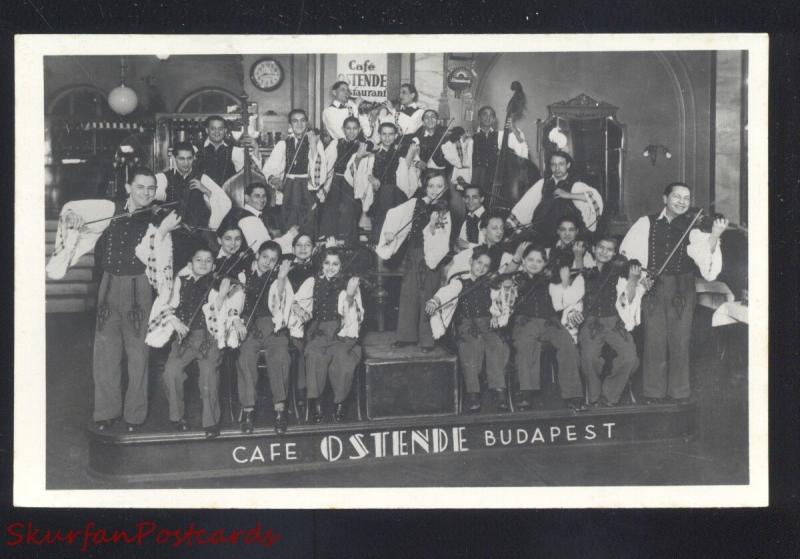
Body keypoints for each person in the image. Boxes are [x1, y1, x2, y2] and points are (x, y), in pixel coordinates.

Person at [46, 167, 180, 432]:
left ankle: (135, 415)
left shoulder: (159, 219)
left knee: (138, 354)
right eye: (140, 187)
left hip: (139, 286)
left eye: (151, 189)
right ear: (129, 187)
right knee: (105, 352)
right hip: (108, 283)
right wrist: (73, 218)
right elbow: (72, 210)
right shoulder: (110, 207)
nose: (146, 193)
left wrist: (162, 232)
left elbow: (157, 259)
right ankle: (106, 412)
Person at [620, 182, 727, 403]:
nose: (681, 201)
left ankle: (679, 392)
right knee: (654, 339)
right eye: (676, 196)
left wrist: (714, 235)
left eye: (686, 198)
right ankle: (653, 392)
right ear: (665, 198)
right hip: (654, 285)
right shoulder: (645, 223)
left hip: (683, 287)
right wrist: (641, 276)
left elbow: (707, 265)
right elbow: (628, 253)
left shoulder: (694, 228)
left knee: (680, 339)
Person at [147, 244, 224, 438]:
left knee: (208, 375)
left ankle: (211, 422)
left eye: (208, 261)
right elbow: (165, 305)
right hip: (185, 339)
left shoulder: (217, 283)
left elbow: (225, 309)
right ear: (190, 264)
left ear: (214, 266)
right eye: (199, 260)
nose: (203, 264)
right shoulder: (179, 281)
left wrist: (222, 294)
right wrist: (174, 321)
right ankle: (178, 416)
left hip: (209, 337)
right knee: (171, 372)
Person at [426, 246, 511, 412]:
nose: (481, 268)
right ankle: (473, 392)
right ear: (471, 262)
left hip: (486, 324)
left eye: (486, 266)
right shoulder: (460, 282)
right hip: (465, 324)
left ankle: (499, 389)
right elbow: (446, 292)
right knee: (469, 347)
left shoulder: (490, 285)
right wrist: (434, 301)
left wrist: (498, 312)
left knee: (497, 345)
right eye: (479, 263)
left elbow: (500, 304)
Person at [376, 169, 452, 351]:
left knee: (427, 294)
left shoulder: (444, 212)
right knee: (408, 293)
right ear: (425, 187)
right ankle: (406, 336)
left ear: (445, 188)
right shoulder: (415, 204)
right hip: (413, 253)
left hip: (431, 256)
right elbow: (395, 215)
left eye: (439, 186)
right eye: (431, 186)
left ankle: (427, 339)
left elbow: (442, 240)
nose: (435, 190)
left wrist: (433, 227)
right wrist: (390, 232)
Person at [290, 248, 364, 423]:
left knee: (343, 360)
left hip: (341, 331)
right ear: (321, 264)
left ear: (341, 266)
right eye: (327, 263)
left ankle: (340, 402)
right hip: (319, 331)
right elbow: (296, 300)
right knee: (314, 355)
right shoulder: (312, 281)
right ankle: (317, 402)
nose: (331, 267)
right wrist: (299, 309)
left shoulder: (349, 284)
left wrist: (351, 295)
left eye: (335, 264)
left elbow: (355, 315)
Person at [570, 237, 644, 407]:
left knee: (630, 357)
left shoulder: (619, 271)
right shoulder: (586, 266)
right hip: (591, 321)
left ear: (614, 253)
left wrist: (633, 280)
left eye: (609, 249)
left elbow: (629, 299)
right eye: (601, 248)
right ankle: (594, 397)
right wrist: (578, 256)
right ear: (594, 249)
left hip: (614, 320)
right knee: (589, 357)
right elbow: (578, 284)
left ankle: (609, 396)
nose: (604, 252)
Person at [510, 245, 584, 411]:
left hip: (549, 321)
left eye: (539, 261)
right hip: (526, 320)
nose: (534, 264)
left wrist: (564, 280)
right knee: (525, 344)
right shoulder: (516, 278)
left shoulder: (550, 280)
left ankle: (573, 394)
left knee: (567, 344)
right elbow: (503, 283)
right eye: (530, 260)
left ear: (544, 264)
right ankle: (526, 392)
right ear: (523, 261)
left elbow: (575, 275)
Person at [232, 242, 293, 434]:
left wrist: (282, 278)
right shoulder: (243, 275)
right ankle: (248, 411)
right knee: (245, 358)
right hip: (250, 325)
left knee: (280, 356)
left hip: (272, 324)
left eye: (273, 259)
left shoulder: (278, 277)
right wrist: (236, 320)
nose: (268, 262)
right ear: (257, 255)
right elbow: (234, 302)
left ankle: (280, 410)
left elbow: (282, 300)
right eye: (265, 256)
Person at [155, 141, 232, 271]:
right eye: (181, 159)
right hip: (172, 238)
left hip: (198, 238)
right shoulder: (163, 177)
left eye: (189, 158)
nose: (186, 163)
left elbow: (226, 203)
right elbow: (154, 194)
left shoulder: (203, 178)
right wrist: (159, 193)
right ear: (174, 158)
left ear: (194, 158)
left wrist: (206, 191)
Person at [508, 151, 603, 244]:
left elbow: (595, 198)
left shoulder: (575, 184)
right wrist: (511, 223)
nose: (557, 168)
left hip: (566, 235)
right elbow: (527, 204)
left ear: (568, 165)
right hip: (542, 233)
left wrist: (568, 195)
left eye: (561, 164)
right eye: (554, 164)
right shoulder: (543, 183)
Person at [262, 109, 328, 234]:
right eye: (295, 121)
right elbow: (269, 168)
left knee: (307, 225)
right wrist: (273, 179)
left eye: (303, 121)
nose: (299, 124)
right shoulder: (283, 144)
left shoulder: (316, 143)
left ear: (307, 124)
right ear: (290, 125)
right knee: (288, 224)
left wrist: (313, 145)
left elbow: (319, 169)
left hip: (307, 189)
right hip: (289, 189)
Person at [353, 122, 420, 243]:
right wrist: (372, 178)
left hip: (398, 195)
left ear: (395, 136)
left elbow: (406, 176)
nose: (387, 138)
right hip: (377, 195)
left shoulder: (401, 154)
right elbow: (364, 172)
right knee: (383, 200)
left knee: (390, 196)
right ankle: (378, 243)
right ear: (379, 135)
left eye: (390, 134)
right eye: (384, 134)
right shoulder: (373, 154)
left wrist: (409, 157)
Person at [318, 116, 370, 243]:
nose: (351, 132)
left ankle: (348, 243)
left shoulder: (363, 145)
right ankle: (331, 243)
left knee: (350, 213)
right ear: (343, 129)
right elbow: (327, 164)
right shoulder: (336, 143)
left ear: (359, 130)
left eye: (354, 129)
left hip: (353, 184)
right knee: (332, 211)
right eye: (348, 128)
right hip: (336, 182)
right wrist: (324, 184)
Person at [285, 233, 317, 418]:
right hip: (287, 315)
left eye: (307, 245)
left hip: (310, 316)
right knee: (293, 344)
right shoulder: (285, 268)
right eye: (299, 244)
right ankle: (295, 392)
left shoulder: (318, 268)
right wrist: (294, 306)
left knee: (308, 345)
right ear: (292, 248)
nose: (303, 248)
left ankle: (305, 392)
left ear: (313, 248)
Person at [470, 106, 529, 193]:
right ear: (479, 118)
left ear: (494, 119)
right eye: (485, 114)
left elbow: (520, 145)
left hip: (493, 177)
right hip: (476, 176)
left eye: (491, 115)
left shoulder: (500, 136)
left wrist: (514, 130)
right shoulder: (471, 136)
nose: (488, 118)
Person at [198, 115, 260, 187]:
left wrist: (256, 148)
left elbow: (252, 173)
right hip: (202, 196)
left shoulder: (234, 151)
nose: (217, 132)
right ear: (207, 130)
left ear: (225, 130)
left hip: (226, 196)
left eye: (220, 129)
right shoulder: (197, 149)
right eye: (213, 129)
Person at [456, 184, 486, 249]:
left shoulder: (489, 219)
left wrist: (468, 245)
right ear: (463, 199)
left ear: (482, 199)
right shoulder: (468, 218)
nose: (470, 201)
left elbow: (489, 249)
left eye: (475, 197)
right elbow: (461, 241)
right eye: (467, 197)